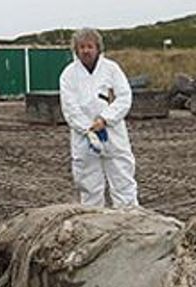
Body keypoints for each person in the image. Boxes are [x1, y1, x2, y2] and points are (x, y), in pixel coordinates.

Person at [59, 28, 137, 207]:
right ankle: (93, 224)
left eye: (90, 46)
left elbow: (124, 97)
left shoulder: (111, 69)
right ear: (76, 50)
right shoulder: (68, 75)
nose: (86, 50)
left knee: (123, 181)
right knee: (89, 186)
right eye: (82, 47)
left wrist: (105, 119)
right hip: (84, 138)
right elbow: (70, 107)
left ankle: (128, 221)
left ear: (98, 48)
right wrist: (88, 128)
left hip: (113, 134)